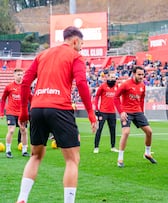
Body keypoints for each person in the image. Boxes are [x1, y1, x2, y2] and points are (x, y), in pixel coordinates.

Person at [16, 26, 97, 203]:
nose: (81, 48)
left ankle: (22, 198)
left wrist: (23, 112)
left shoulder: (42, 55)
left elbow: (25, 83)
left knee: (36, 155)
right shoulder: (75, 56)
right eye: (81, 44)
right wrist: (91, 113)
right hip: (60, 108)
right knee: (72, 159)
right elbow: (82, 83)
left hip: (37, 109)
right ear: (75, 41)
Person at [114, 66, 156, 168]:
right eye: (139, 74)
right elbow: (116, 97)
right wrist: (121, 112)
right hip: (127, 112)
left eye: (142, 74)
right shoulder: (126, 84)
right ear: (134, 74)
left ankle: (147, 153)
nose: (141, 76)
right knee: (126, 132)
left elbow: (141, 100)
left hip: (138, 112)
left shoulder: (142, 85)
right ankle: (120, 158)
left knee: (149, 132)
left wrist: (141, 112)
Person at [0, 68, 31, 158]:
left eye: (21, 75)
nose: (20, 76)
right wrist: (1, 112)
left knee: (24, 131)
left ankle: (24, 150)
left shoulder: (25, 87)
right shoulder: (9, 87)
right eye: (18, 75)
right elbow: (3, 100)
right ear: (14, 75)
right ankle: (8, 150)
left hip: (22, 113)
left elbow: (30, 99)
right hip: (11, 112)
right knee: (11, 130)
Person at [93, 72, 118, 153]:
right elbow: (96, 97)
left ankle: (113, 147)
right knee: (99, 129)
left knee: (113, 130)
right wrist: (96, 109)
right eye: (111, 77)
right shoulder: (103, 86)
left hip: (112, 112)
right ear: (108, 77)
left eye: (114, 77)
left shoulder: (116, 86)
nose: (113, 78)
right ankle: (96, 147)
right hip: (103, 112)